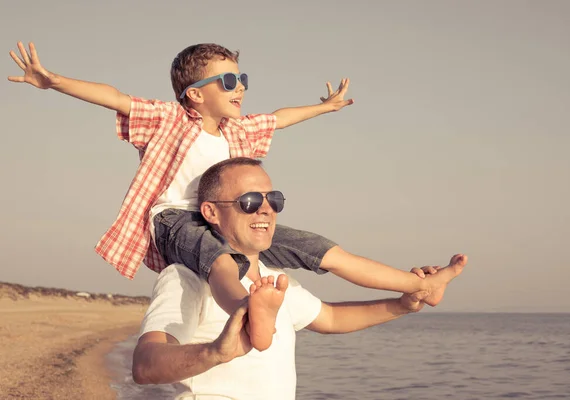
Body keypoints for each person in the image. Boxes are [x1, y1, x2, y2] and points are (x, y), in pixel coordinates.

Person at [9, 41, 461, 352]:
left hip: (233, 215)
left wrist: (324, 108)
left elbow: (279, 119)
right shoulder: (169, 119)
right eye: (227, 82)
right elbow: (116, 98)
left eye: (241, 78)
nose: (240, 87)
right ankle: (249, 313)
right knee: (217, 257)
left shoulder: (238, 131)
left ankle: (418, 284)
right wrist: (54, 82)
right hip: (176, 220)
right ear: (194, 95)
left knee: (319, 248)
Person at [131, 157, 468, 399]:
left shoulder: (275, 281)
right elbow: (145, 366)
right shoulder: (185, 278)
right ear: (211, 212)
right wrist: (215, 352)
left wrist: (402, 306)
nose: (266, 209)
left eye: (272, 199)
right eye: (249, 201)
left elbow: (332, 317)